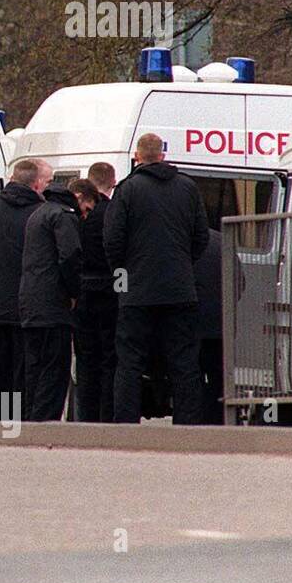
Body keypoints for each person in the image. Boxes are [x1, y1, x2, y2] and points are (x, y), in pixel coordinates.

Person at [104, 133, 209, 424]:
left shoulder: (128, 189)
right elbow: (201, 236)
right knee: (185, 361)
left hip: (137, 290)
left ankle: (126, 422)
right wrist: (183, 266)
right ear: (162, 155)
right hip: (180, 290)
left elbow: (113, 240)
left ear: (137, 157)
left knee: (129, 361)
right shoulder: (188, 187)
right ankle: (188, 424)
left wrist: (122, 276)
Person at [0, 158, 51, 418]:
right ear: (36, 183)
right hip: (28, 306)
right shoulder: (43, 212)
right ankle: (19, 423)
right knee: (24, 370)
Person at [19, 179, 88, 421]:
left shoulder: (38, 213)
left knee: (34, 370)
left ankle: (31, 422)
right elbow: (70, 256)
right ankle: (45, 423)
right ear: (76, 197)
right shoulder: (63, 215)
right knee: (54, 370)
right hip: (53, 305)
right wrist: (74, 292)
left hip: (30, 304)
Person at [74, 162, 118, 421]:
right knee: (109, 360)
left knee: (85, 360)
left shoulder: (77, 213)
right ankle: (106, 417)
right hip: (110, 293)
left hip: (82, 293)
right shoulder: (113, 213)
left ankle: (85, 417)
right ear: (112, 183)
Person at [193, 228, 224, 424]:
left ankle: (194, 417)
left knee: (190, 375)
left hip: (191, 324)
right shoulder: (222, 242)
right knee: (218, 377)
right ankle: (217, 417)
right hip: (220, 325)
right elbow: (241, 281)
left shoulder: (183, 244)